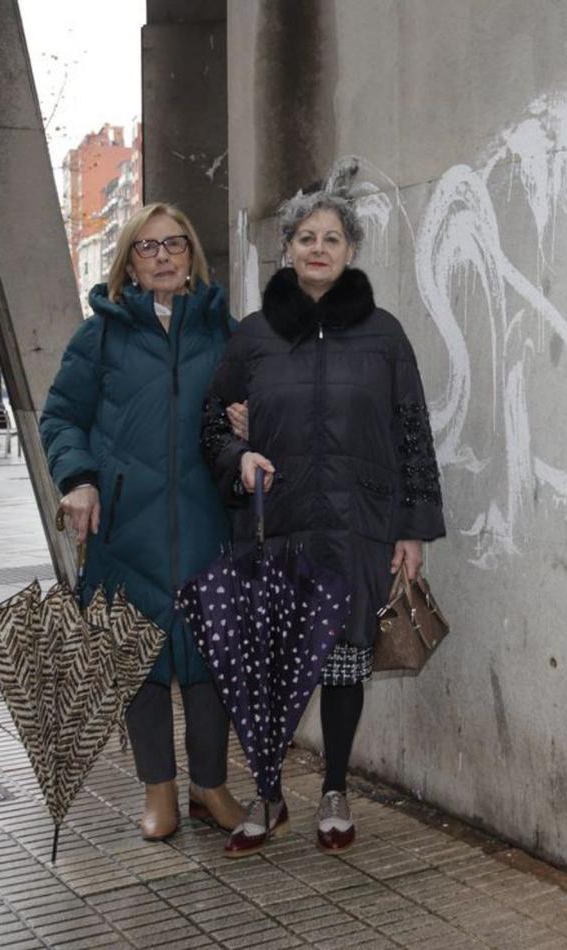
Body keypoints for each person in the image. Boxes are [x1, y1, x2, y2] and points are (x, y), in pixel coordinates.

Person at [202, 160, 445, 856]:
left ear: (351, 250)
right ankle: (270, 793)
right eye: (306, 236)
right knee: (274, 669)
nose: (317, 248)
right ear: (287, 248)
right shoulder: (253, 336)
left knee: (341, 665)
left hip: (355, 530)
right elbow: (212, 422)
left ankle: (334, 787)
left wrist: (413, 529)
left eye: (332, 237)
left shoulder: (384, 335)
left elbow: (412, 433)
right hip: (272, 529)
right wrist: (236, 455)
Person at [40, 202, 247, 842]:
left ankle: (209, 786)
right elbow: (62, 419)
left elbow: (266, 411)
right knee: (139, 662)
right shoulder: (98, 335)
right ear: (129, 261)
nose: (162, 257)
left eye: (174, 245)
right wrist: (78, 480)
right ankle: (159, 789)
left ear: (192, 257)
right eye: (147, 247)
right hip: (127, 530)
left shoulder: (225, 331)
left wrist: (253, 421)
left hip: (210, 523)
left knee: (212, 662)